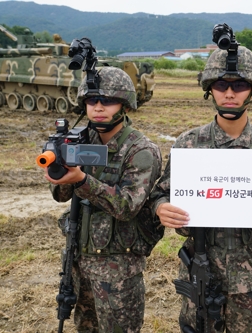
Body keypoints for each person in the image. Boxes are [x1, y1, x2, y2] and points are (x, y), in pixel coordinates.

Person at [150, 45, 252, 332]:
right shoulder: (189, 143)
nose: (230, 93)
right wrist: (160, 207)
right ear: (210, 89)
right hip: (199, 270)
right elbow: (161, 192)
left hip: (251, 277)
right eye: (221, 85)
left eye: (240, 85)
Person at [45, 67, 162, 332]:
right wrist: (59, 167)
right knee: (85, 327)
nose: (98, 107)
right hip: (80, 259)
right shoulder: (83, 140)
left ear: (125, 105)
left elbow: (127, 206)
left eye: (107, 101)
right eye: (91, 101)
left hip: (118, 268)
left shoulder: (140, 150)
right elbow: (61, 196)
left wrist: (82, 181)